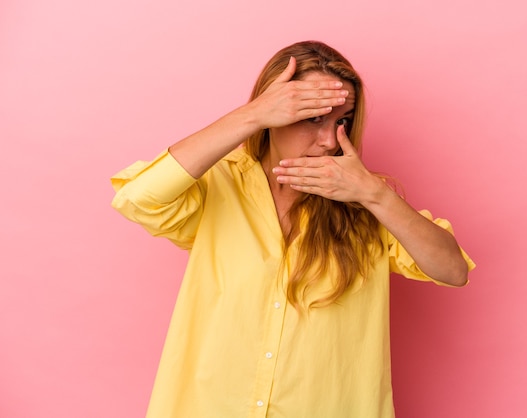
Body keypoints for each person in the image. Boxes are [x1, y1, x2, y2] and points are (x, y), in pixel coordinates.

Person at [111, 40, 475, 418]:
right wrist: (250, 116)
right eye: (312, 117)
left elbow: (452, 270)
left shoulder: (368, 200)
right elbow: (137, 199)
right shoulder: (217, 184)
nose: (329, 140)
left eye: (342, 121)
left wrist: (374, 195)